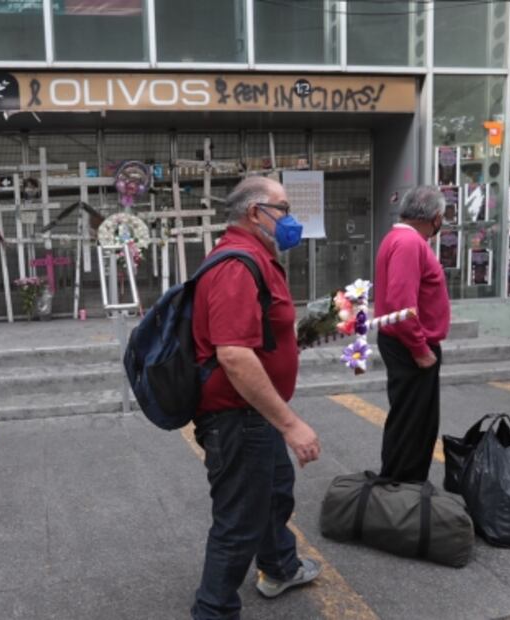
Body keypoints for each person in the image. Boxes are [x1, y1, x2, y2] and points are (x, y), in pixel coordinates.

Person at [190, 176, 322, 620]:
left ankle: (279, 565)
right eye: (283, 209)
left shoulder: (258, 259)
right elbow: (232, 354)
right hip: (238, 418)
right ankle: (213, 611)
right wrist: (291, 424)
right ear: (255, 213)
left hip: (255, 414)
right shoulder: (237, 264)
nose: (291, 220)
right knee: (237, 523)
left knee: (273, 494)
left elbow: (258, 334)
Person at [374, 186, 450, 482]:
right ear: (436, 217)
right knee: (414, 422)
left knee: (410, 418)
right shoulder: (408, 243)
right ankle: (403, 486)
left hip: (404, 341)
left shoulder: (400, 238)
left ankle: (401, 482)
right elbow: (400, 304)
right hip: (410, 345)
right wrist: (420, 350)